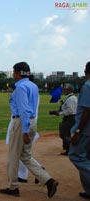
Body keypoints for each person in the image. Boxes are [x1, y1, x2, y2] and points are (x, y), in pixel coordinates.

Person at [0, 62, 58, 198]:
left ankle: (13, 187)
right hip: (31, 122)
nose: (13, 74)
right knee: (26, 156)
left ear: (18, 73)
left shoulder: (20, 88)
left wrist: (24, 131)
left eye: (14, 72)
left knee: (13, 156)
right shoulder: (33, 86)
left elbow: (24, 109)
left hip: (22, 122)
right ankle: (48, 180)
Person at [69, 62, 90, 200]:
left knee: (76, 156)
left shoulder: (88, 86)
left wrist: (77, 131)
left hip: (85, 130)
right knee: (87, 157)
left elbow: (87, 111)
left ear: (85, 71)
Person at [49, 83, 77, 155]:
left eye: (65, 90)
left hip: (70, 118)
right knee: (66, 133)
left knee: (64, 134)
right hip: (71, 117)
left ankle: (70, 149)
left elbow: (70, 110)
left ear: (69, 90)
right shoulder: (71, 97)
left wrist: (60, 113)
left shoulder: (70, 98)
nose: (64, 91)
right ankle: (68, 148)